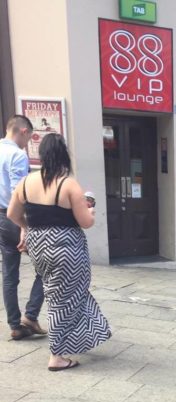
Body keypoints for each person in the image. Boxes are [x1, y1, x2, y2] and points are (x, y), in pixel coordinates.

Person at [7, 133, 111, 371]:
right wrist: (91, 212)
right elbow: (85, 222)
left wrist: (28, 228)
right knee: (65, 299)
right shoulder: (69, 184)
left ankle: (77, 339)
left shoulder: (26, 182)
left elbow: (12, 215)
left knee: (55, 294)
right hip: (67, 247)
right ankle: (57, 356)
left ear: (41, 155)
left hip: (38, 245)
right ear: (64, 155)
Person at [0, 114, 45, 340]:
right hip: (14, 217)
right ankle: (31, 316)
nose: (27, 144)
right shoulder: (17, 155)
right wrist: (24, 225)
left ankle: (15, 325)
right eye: (28, 138)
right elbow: (19, 191)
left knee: (9, 274)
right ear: (24, 131)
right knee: (45, 267)